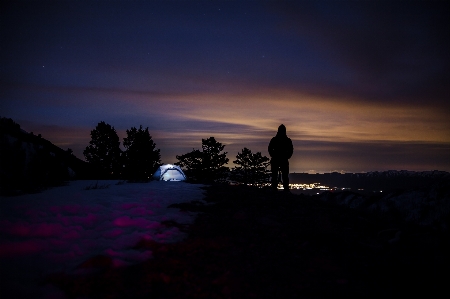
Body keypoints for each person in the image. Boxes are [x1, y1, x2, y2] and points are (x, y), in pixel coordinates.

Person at [268, 124, 293, 191]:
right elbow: (270, 149)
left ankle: (286, 190)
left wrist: (286, 157)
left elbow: (290, 150)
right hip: (276, 160)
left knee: (284, 176)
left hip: (283, 160)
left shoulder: (287, 140)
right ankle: (274, 189)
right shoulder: (275, 140)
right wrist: (273, 156)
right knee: (274, 175)